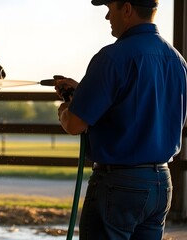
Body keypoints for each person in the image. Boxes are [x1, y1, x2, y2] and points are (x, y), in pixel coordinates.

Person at [53, 0, 187, 239]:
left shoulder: (113, 57)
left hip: (118, 184)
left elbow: (74, 124)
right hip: (161, 184)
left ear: (126, 9)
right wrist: (83, 90)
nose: (107, 17)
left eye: (109, 9)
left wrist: (65, 108)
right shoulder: (177, 60)